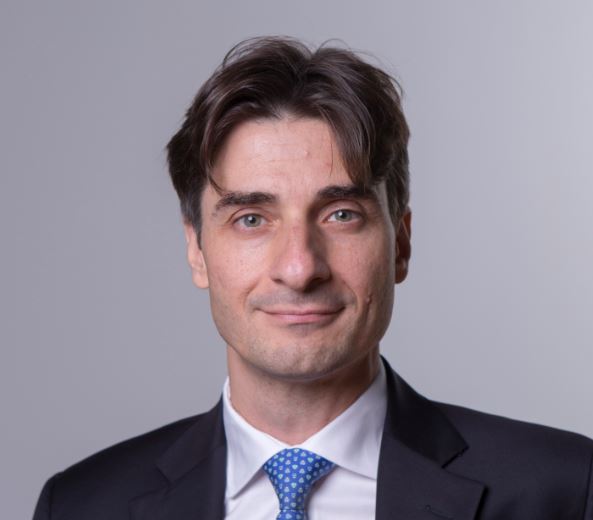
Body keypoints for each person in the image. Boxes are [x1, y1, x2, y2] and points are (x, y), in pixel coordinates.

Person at [33, 36, 592, 520]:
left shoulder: (564, 490)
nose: (299, 269)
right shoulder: (82, 505)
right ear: (197, 250)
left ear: (400, 243)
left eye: (341, 215)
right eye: (251, 219)